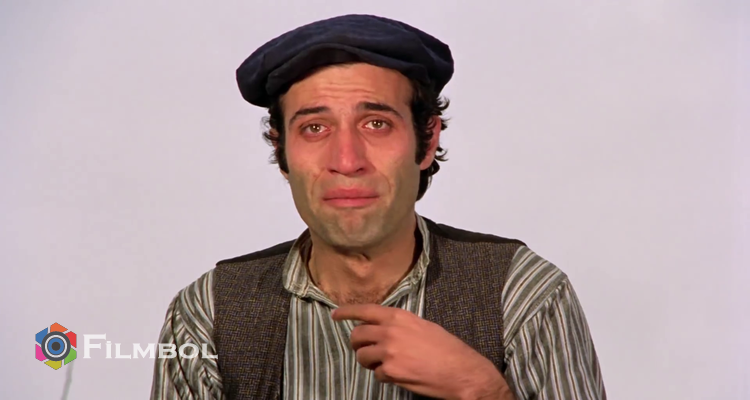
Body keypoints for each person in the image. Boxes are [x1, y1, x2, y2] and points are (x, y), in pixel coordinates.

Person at [150, 14, 606, 400]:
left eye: (376, 123)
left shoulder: (523, 295)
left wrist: (482, 391)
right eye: (314, 128)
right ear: (282, 150)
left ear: (427, 141)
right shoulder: (208, 313)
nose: (347, 161)